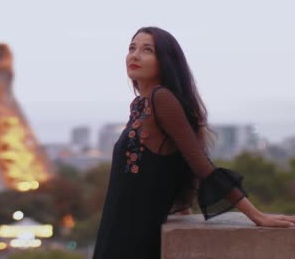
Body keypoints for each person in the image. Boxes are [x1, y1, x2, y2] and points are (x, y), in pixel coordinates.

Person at [91, 27, 295, 259]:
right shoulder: (139, 104)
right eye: (132, 48)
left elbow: (201, 164)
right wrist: (183, 206)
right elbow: (168, 165)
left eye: (147, 50)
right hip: (117, 226)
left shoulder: (161, 98)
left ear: (165, 62)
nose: (135, 55)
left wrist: (257, 216)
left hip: (134, 235)